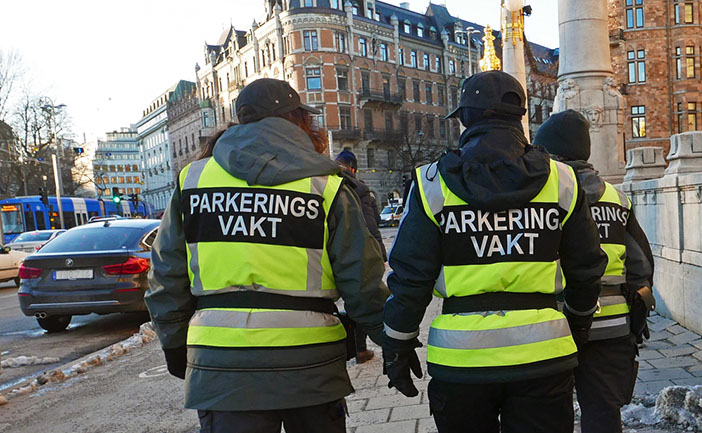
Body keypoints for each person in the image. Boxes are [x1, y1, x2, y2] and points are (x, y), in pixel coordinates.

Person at [145, 78, 389, 433]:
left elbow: (166, 274)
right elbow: (361, 278)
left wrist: (173, 341)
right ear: (298, 121)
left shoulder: (193, 179)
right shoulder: (325, 183)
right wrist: (390, 338)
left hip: (223, 368)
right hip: (311, 366)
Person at [379, 71, 607, 433]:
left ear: (465, 119)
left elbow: (410, 277)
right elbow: (587, 267)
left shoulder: (431, 184)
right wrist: (578, 324)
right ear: (519, 118)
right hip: (543, 356)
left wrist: (397, 345)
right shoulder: (562, 180)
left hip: (461, 361)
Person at [535, 110, 656, 433]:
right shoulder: (618, 199)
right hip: (613, 328)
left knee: (548, 414)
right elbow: (642, 266)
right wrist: (635, 319)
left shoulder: (543, 199)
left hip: (555, 325)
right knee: (603, 413)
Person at [334, 149, 384, 364]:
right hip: (362, 249)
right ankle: (361, 348)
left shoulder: (329, 185)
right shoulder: (360, 189)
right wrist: (380, 253)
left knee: (351, 300)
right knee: (361, 297)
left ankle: (358, 347)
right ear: (354, 168)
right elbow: (370, 223)